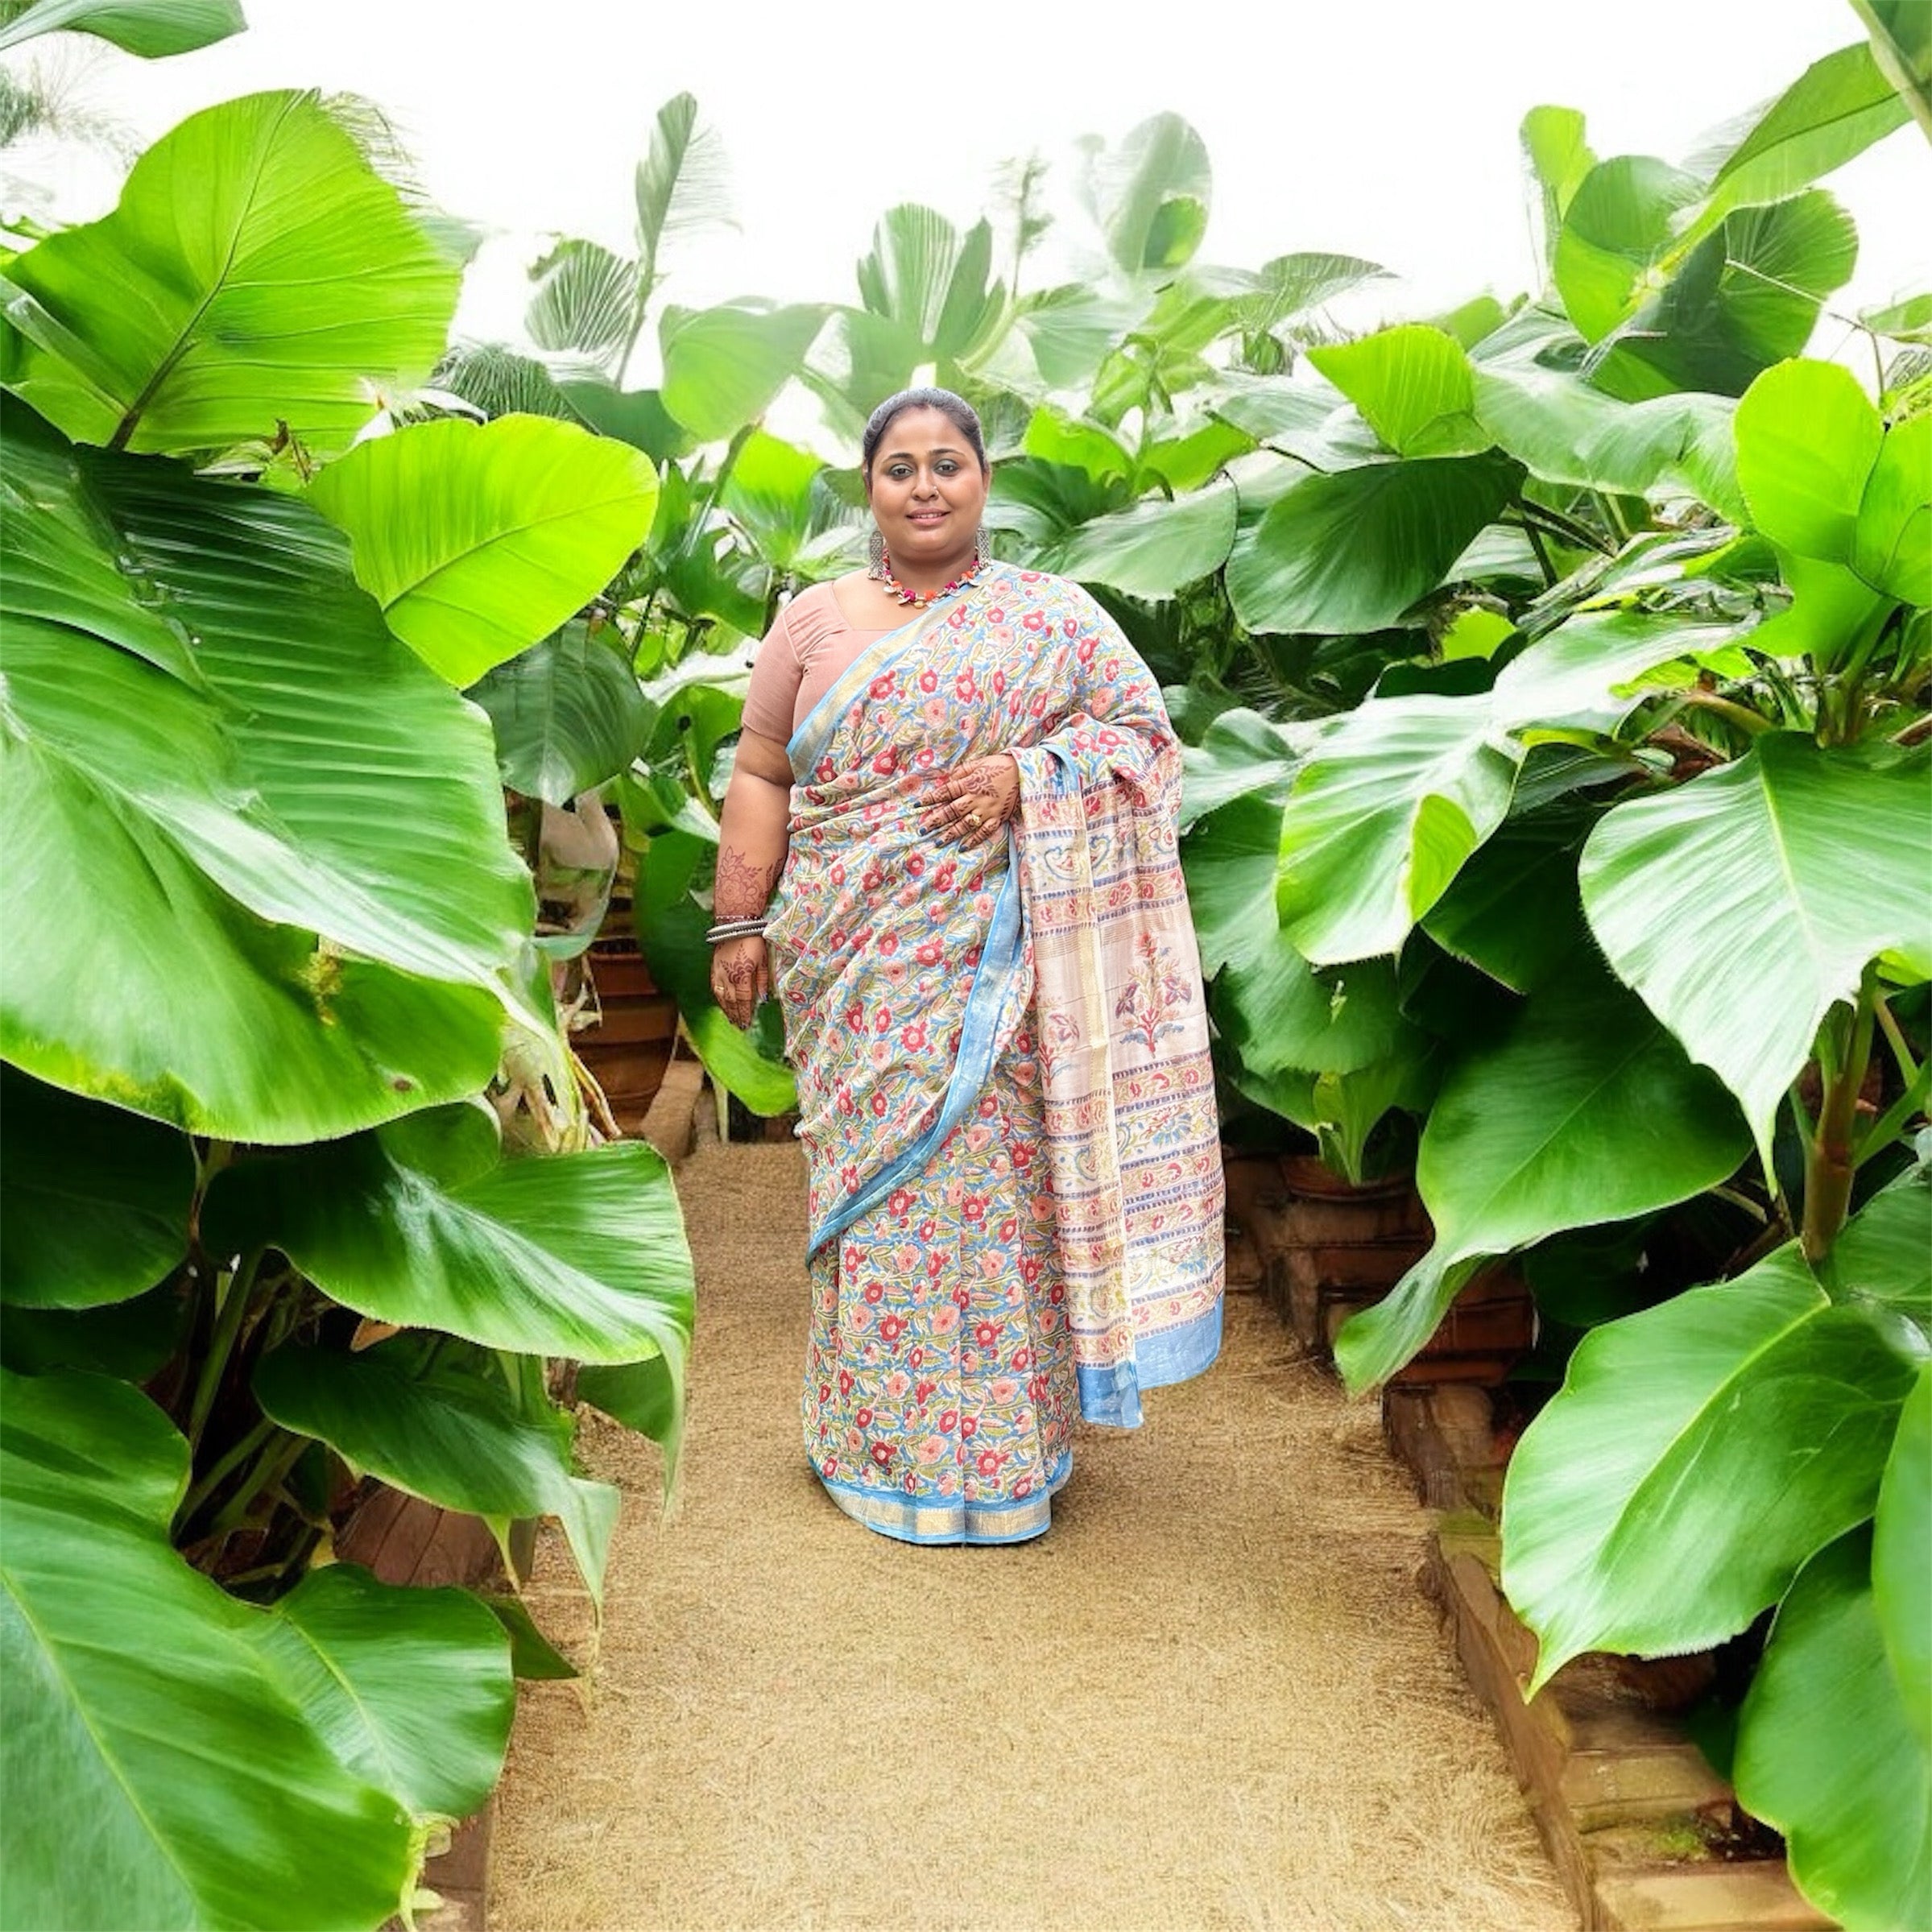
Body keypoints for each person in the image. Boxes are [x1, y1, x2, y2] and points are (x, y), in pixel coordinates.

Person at [710, 386, 1224, 1545]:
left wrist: (1024, 776)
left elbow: (1144, 741)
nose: (926, 485)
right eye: (901, 467)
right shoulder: (815, 622)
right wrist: (736, 925)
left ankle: (1000, 1454)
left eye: (948, 463)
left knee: (992, 1189)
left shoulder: (1054, 618)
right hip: (855, 951)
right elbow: (762, 776)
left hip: (997, 959)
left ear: (984, 481)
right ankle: (876, 1444)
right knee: (875, 1190)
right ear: (869, 488)